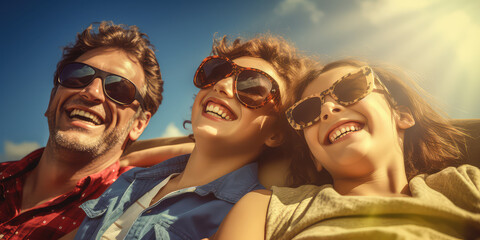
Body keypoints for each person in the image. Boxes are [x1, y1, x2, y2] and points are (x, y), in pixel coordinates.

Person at [73, 34, 309, 240]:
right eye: (217, 73)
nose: (222, 85)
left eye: (254, 88)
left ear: (276, 134)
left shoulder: (251, 214)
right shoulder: (132, 179)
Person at [212, 59, 480, 239]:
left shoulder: (466, 184)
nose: (328, 109)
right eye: (308, 111)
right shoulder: (268, 208)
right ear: (313, 156)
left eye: (351, 88)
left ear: (403, 116)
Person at [0, 21, 176, 239]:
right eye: (78, 75)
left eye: (119, 89)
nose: (92, 92)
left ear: (139, 124)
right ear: (53, 97)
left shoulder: (137, 211)